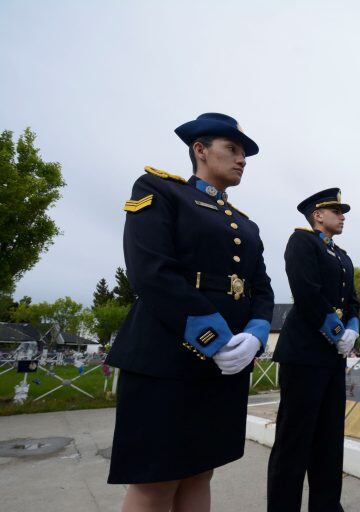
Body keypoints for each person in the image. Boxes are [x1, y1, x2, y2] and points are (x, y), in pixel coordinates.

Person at [106, 113, 275, 512]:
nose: (242, 159)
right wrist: (212, 338)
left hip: (225, 364)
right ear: (200, 149)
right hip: (165, 357)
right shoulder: (160, 189)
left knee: (201, 471)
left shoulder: (245, 224)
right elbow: (151, 270)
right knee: (157, 480)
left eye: (244, 154)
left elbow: (261, 287)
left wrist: (254, 334)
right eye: (231, 149)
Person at [267, 188, 360, 512]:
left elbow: (353, 302)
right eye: (336, 210)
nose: (343, 215)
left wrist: (353, 329)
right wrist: (337, 332)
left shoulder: (343, 256)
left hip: (332, 358)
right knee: (294, 442)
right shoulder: (302, 242)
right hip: (304, 355)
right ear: (318, 215)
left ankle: (326, 507)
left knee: (329, 440)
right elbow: (307, 292)